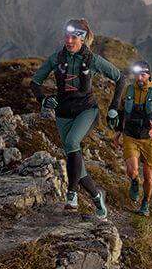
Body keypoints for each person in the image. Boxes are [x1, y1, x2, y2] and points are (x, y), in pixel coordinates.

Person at [30, 18, 124, 218]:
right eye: (67, 36)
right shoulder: (56, 58)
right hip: (63, 113)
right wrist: (43, 100)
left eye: (74, 37)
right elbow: (35, 82)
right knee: (75, 161)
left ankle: (71, 195)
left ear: (82, 39)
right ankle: (97, 196)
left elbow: (120, 78)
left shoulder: (94, 60)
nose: (69, 40)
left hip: (87, 111)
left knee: (73, 142)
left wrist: (114, 108)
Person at [114, 60, 152, 216]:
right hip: (130, 135)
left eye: (143, 74)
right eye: (138, 74)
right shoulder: (128, 90)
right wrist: (118, 131)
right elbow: (120, 112)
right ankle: (134, 181)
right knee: (132, 171)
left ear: (148, 75)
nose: (139, 77)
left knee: (148, 175)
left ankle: (145, 203)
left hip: (149, 138)